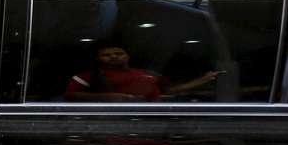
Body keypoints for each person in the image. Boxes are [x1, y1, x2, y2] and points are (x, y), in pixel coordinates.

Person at [65, 45, 224, 102]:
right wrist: (110, 97)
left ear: (127, 56)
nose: (113, 56)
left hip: (154, 117)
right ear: (98, 58)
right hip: (114, 120)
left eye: (118, 53)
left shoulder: (149, 74)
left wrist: (204, 79)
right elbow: (71, 95)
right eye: (107, 55)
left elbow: (169, 91)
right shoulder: (89, 75)